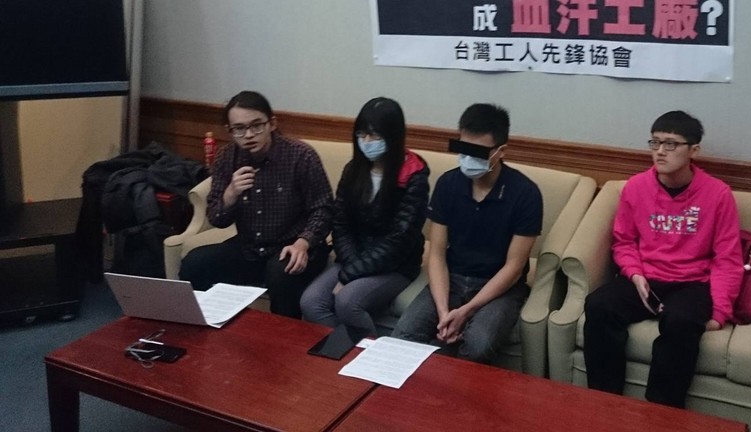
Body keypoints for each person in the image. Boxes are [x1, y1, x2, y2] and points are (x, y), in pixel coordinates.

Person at [583, 110, 743, 409]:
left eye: (670, 144)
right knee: (599, 306)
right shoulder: (636, 187)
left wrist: (720, 311)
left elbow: (727, 258)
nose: (659, 151)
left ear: (694, 150)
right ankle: (604, 404)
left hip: (692, 282)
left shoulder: (718, 194)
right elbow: (624, 242)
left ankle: (661, 412)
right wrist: (634, 273)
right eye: (654, 142)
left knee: (681, 321)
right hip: (645, 278)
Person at [391, 103, 542, 364]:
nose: (468, 159)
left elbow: (514, 267)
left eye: (478, 152)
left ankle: (444, 381)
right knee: (403, 336)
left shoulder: (526, 194)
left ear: (501, 151)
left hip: (499, 287)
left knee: (479, 344)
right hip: (453, 277)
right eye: (463, 149)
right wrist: (443, 311)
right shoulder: (448, 184)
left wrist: (466, 311)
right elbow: (436, 253)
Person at [179, 90, 333, 318]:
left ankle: (283, 338)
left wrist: (304, 243)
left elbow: (324, 209)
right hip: (249, 247)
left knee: (281, 273)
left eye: (256, 126)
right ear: (230, 131)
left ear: (272, 124)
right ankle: (207, 326)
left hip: (293, 246)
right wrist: (231, 193)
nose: (249, 135)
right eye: (239, 129)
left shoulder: (301, 156)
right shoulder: (227, 158)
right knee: (195, 263)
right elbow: (217, 219)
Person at [300, 97, 429, 340]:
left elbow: (399, 241)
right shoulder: (353, 170)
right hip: (354, 258)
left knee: (348, 302)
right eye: (362, 134)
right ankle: (342, 351)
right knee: (311, 302)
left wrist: (350, 275)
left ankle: (368, 356)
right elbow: (341, 224)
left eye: (375, 135)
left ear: (393, 136)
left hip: (395, 265)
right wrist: (351, 267)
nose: (367, 142)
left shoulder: (414, 176)